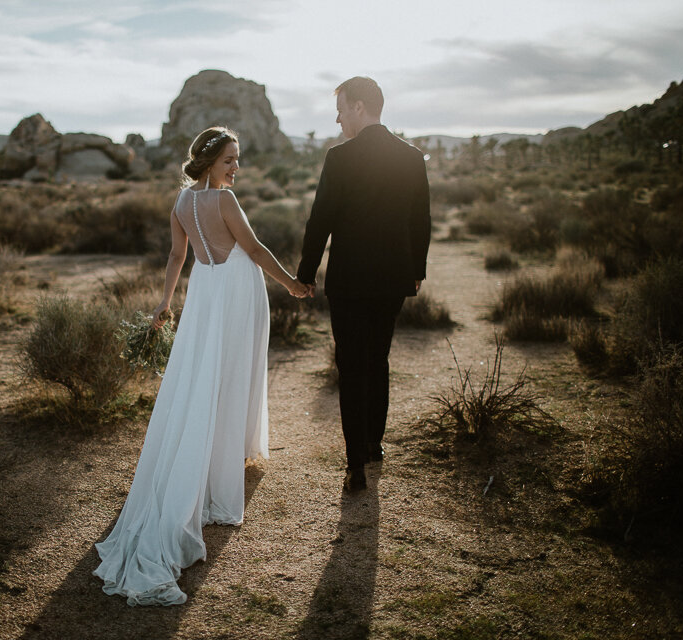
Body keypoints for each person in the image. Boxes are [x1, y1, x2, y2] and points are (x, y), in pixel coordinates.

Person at [94, 127, 308, 606]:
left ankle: (225, 451)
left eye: (238, 160)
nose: (236, 168)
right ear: (210, 160)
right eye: (230, 159)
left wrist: (164, 305)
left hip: (206, 293)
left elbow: (177, 256)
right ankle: (218, 468)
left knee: (204, 377)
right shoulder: (224, 203)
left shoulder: (181, 203)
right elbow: (253, 250)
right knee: (228, 374)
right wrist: (292, 283)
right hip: (233, 291)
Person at [297, 76, 431, 493]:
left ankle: (356, 463)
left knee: (351, 366)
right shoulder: (411, 157)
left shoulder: (340, 159)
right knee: (379, 358)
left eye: (341, 108)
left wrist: (305, 273)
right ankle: (374, 444)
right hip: (393, 276)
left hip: (350, 280)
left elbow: (320, 220)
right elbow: (421, 220)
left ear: (359, 106)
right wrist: (416, 270)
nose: (337, 119)